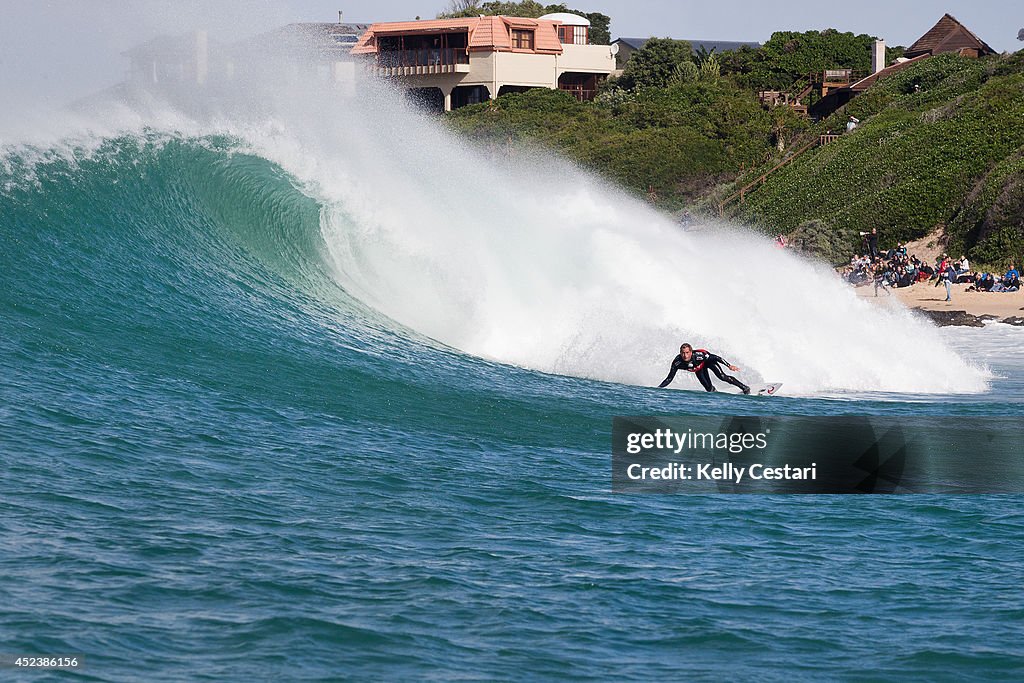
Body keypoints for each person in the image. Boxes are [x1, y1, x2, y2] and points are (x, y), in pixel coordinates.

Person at [659, 343, 750, 394]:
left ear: (691, 352)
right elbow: (669, 378)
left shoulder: (698, 356)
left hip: (708, 362)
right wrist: (659, 389)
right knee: (709, 389)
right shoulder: (677, 362)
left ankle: (745, 388)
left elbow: (716, 357)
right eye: (682, 353)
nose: (685, 356)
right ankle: (716, 395)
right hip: (699, 369)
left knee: (722, 376)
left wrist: (729, 365)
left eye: (687, 353)